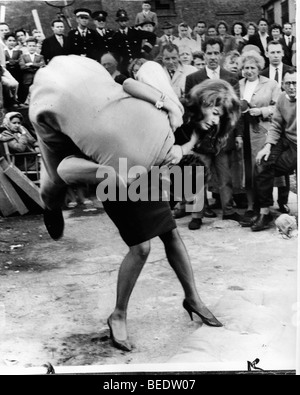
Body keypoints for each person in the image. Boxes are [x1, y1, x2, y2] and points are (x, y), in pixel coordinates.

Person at [29, 55, 224, 352]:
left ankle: (193, 298)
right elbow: (66, 169)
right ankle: (117, 314)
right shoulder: (160, 130)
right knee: (139, 245)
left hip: (94, 94)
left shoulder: (168, 140)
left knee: (170, 232)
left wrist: (180, 119)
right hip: (55, 103)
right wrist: (104, 172)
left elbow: (139, 78)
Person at [184, 37, 243, 228]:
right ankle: (197, 214)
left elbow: (236, 109)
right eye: (209, 53)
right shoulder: (193, 79)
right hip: (202, 137)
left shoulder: (230, 78)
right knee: (199, 175)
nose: (212, 57)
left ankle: (229, 210)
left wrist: (238, 134)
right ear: (204, 54)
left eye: (216, 53)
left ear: (221, 54)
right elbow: (190, 110)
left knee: (225, 176)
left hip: (223, 137)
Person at [237, 50, 281, 227]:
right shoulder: (239, 84)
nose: (249, 71)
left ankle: (264, 208)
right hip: (243, 132)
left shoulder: (270, 84)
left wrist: (261, 111)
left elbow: (278, 106)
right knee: (247, 170)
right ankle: (250, 207)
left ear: (259, 68)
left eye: (252, 67)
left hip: (262, 130)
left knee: (261, 169)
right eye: (246, 67)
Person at [251, 68, 297, 231]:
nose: (292, 87)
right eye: (288, 83)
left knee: (281, 167)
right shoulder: (282, 100)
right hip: (286, 139)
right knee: (262, 162)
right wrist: (268, 146)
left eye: (295, 83)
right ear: (283, 85)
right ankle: (264, 212)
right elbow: (276, 125)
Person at [110, 9, 156, 75]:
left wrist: (145, 49)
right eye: (121, 21)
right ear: (118, 22)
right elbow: (115, 54)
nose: (123, 22)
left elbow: (152, 36)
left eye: (125, 20)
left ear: (127, 21)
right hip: (125, 66)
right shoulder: (115, 36)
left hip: (139, 63)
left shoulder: (135, 31)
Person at [19, 37, 45, 104]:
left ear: (36, 46)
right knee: (27, 95)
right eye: (30, 46)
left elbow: (43, 65)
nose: (32, 47)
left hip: (38, 78)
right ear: (27, 46)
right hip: (27, 79)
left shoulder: (40, 56)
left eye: (33, 46)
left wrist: (31, 64)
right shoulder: (23, 56)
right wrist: (36, 67)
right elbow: (22, 67)